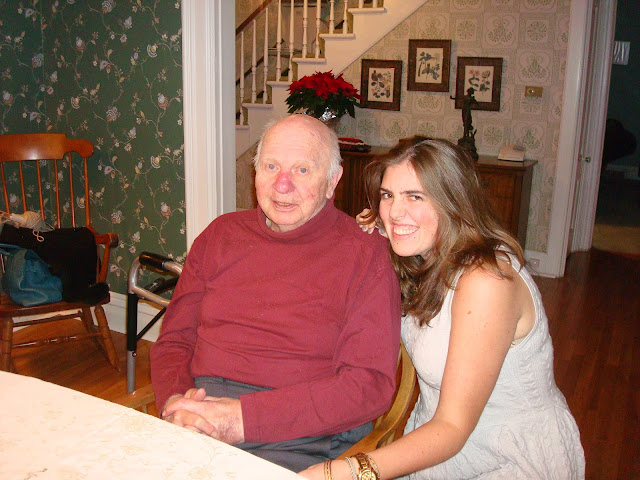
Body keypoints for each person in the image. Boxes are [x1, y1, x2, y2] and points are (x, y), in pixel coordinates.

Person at [300, 137, 585, 479]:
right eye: (388, 195)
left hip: (504, 455)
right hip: (434, 443)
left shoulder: (486, 282)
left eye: (415, 196)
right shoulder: (425, 254)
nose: (395, 212)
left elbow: (453, 427)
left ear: (453, 201)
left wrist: (344, 471)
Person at [150, 114, 401, 472]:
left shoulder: (365, 254)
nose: (282, 185)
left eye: (302, 170)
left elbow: (368, 386)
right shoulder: (220, 235)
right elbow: (174, 340)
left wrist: (242, 419)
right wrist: (177, 402)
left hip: (301, 436)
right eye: (271, 166)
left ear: (332, 181)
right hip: (199, 417)